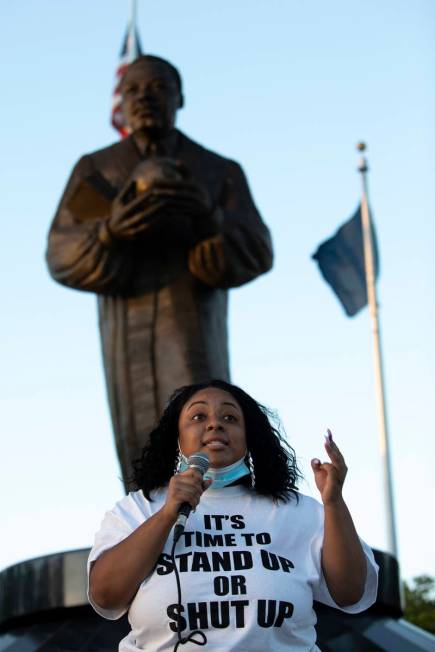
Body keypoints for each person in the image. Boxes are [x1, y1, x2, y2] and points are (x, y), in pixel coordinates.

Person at [45, 56, 273, 485]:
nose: (144, 98)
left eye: (157, 88)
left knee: (202, 418)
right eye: (132, 90)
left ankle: (214, 519)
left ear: (179, 97)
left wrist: (208, 223)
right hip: (125, 330)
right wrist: (111, 233)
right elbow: (61, 253)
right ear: (120, 101)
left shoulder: (217, 171)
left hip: (191, 324)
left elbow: (258, 249)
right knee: (137, 442)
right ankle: (145, 527)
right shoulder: (96, 169)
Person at [88, 380, 378, 651]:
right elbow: (105, 596)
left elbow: (351, 592)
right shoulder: (138, 509)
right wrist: (167, 513)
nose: (214, 424)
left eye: (230, 418)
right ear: (176, 437)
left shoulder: (298, 510)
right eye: (198, 417)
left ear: (248, 436)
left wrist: (334, 502)